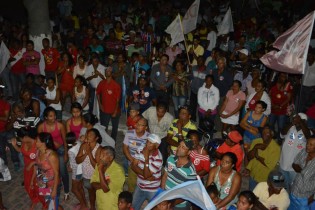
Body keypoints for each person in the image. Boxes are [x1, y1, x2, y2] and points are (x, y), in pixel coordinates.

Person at [37, 107, 70, 201]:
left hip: (59, 149)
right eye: (51, 116)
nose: (54, 117)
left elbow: (64, 140)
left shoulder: (60, 125)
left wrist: (66, 153)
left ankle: (66, 191)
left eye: (54, 115)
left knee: (62, 171)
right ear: (46, 117)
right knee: (45, 171)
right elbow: (40, 142)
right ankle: (46, 193)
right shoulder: (41, 127)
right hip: (47, 151)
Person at [11, 127, 45, 209]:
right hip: (28, 168)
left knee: (39, 187)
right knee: (27, 186)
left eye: (20, 138)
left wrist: (33, 163)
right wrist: (14, 145)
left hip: (38, 169)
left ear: (25, 137)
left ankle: (45, 204)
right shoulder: (24, 142)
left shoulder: (37, 144)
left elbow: (44, 158)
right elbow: (21, 151)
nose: (19, 140)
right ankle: (34, 199)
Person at [161, 139, 197, 210]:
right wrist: (162, 194)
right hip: (166, 199)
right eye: (179, 146)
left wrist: (171, 204)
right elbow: (165, 176)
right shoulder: (170, 158)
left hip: (179, 205)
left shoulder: (190, 171)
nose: (179, 148)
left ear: (189, 152)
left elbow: (187, 193)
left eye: (183, 147)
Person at [279, 113, 311, 192]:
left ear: (304, 122)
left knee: (294, 186)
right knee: (282, 184)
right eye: (295, 119)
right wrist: (292, 123)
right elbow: (282, 134)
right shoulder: (290, 128)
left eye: (300, 120)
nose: (297, 121)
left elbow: (308, 137)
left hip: (295, 166)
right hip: (283, 162)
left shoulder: (308, 131)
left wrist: (301, 123)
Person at [131, 134, 163, 210]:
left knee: (153, 208)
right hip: (140, 185)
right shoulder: (140, 149)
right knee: (133, 207)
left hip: (152, 189)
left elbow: (145, 174)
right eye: (147, 141)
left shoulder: (158, 158)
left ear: (157, 145)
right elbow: (133, 166)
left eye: (151, 143)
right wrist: (147, 176)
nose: (147, 144)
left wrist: (146, 158)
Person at [246, 126, 281, 190]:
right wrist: (255, 147)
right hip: (253, 175)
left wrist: (257, 157)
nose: (264, 134)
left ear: (272, 134)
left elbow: (269, 165)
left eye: (267, 132)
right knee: (251, 195)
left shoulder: (276, 148)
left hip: (264, 178)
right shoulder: (256, 141)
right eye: (263, 132)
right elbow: (249, 157)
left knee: (261, 198)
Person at [76, 128, 102, 210]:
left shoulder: (99, 149)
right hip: (85, 175)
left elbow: (96, 167)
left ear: (96, 138)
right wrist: (85, 153)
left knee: (92, 193)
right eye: (88, 135)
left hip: (94, 176)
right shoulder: (84, 145)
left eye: (91, 135)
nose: (88, 136)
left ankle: (92, 207)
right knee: (90, 190)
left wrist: (89, 153)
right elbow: (77, 160)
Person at [35, 132, 62, 210]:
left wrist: (54, 190)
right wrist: (36, 180)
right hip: (43, 183)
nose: (35, 142)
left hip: (52, 185)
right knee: (49, 202)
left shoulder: (51, 155)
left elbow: (57, 173)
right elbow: (37, 166)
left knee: (53, 205)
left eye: (37, 140)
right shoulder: (38, 151)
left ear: (43, 143)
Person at [123, 117, 150, 192]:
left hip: (143, 164)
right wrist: (132, 160)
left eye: (141, 125)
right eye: (137, 124)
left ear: (146, 127)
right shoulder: (129, 133)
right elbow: (125, 148)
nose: (137, 126)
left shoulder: (149, 137)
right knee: (131, 184)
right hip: (132, 163)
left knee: (143, 184)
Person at [288, 137, 315, 210]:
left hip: (305, 197)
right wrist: (302, 171)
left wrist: (312, 197)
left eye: (311, 144)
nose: (307, 146)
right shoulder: (304, 152)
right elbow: (294, 164)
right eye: (307, 143)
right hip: (294, 190)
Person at [96, 66, 121, 140]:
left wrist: (115, 111)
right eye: (106, 71)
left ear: (112, 73)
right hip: (104, 109)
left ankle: (113, 142)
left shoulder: (116, 85)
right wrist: (100, 105)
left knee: (114, 128)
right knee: (103, 127)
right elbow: (97, 93)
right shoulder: (102, 83)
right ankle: (104, 141)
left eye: (109, 71)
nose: (107, 72)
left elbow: (118, 99)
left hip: (114, 110)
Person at [66, 132, 88, 210]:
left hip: (77, 171)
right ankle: (84, 202)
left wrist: (70, 168)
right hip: (83, 168)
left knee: (74, 189)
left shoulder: (70, 150)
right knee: (80, 187)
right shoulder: (79, 143)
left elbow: (74, 163)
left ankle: (83, 206)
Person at [269, 73, 292, 138]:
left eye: (284, 76)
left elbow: (288, 98)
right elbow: (270, 95)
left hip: (282, 110)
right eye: (281, 76)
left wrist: (280, 106)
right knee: (270, 124)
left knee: (281, 126)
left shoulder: (287, 86)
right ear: (278, 76)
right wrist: (273, 105)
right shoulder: (274, 84)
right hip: (273, 108)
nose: (283, 78)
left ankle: (279, 138)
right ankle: (272, 136)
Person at [189, 56, 209, 121]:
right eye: (198, 60)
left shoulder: (207, 70)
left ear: (204, 61)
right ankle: (193, 118)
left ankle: (201, 121)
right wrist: (190, 71)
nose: (199, 61)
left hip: (202, 92)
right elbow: (190, 78)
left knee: (201, 107)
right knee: (192, 106)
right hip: (193, 90)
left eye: (201, 60)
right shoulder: (194, 68)